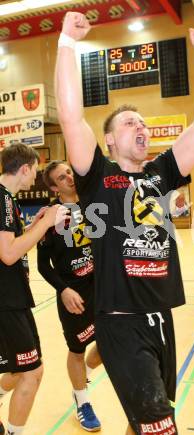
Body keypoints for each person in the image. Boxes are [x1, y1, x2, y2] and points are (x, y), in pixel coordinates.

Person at [55, 11, 194, 435]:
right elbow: (72, 118)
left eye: (144, 123)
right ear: (110, 140)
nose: (141, 126)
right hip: (120, 320)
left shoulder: (162, 173)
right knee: (162, 428)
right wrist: (66, 44)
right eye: (130, 123)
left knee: (146, 423)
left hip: (160, 318)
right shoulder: (99, 176)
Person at [0, 144, 67, 435]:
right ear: (25, 168)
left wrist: (36, 224)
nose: (36, 178)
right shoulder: (1, 199)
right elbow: (9, 253)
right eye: (35, 171)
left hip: (12, 298)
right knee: (31, 371)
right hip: (6, 301)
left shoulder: (8, 200)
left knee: (23, 369)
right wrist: (47, 224)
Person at [37, 161, 102, 431]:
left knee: (108, 346)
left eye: (69, 172)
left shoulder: (93, 202)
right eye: (61, 178)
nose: (69, 178)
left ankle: (82, 377)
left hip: (104, 287)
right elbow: (42, 265)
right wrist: (63, 290)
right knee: (77, 350)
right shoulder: (49, 217)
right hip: (73, 294)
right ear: (54, 187)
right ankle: (82, 401)